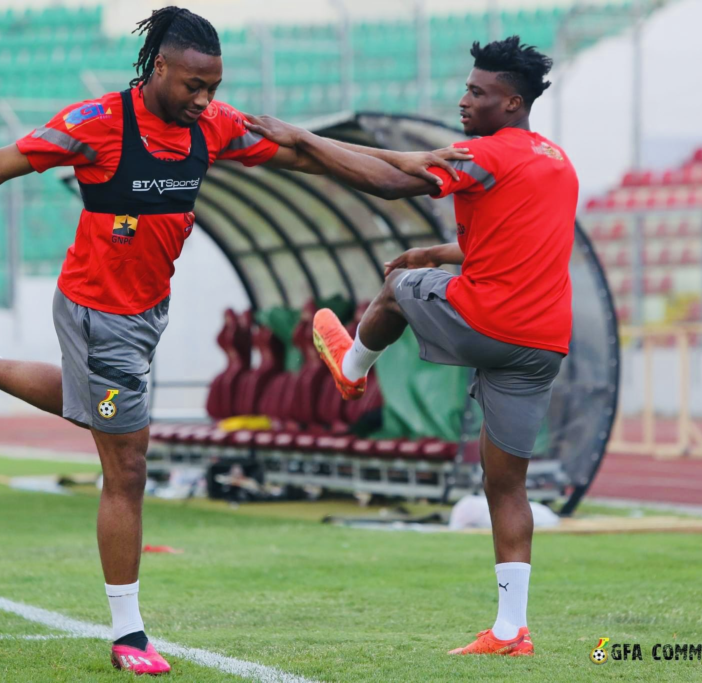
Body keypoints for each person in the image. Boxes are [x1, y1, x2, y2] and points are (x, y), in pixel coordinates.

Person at [0, 6, 469, 674]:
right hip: (95, 309)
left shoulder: (213, 125)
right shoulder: (98, 124)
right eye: (194, 85)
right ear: (159, 67)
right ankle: (128, 632)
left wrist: (407, 161)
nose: (205, 99)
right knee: (130, 464)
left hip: (147, 311)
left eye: (215, 86)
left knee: (94, 405)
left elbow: (304, 152)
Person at [245, 35, 577, 657]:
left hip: (490, 321)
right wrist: (440, 253)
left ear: (510, 102)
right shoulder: (555, 160)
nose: (463, 99)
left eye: (477, 92)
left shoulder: (486, 155)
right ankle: (512, 630)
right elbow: (511, 242)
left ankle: (350, 369)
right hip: (540, 345)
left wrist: (307, 140)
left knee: (397, 289)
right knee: (506, 486)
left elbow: (393, 183)